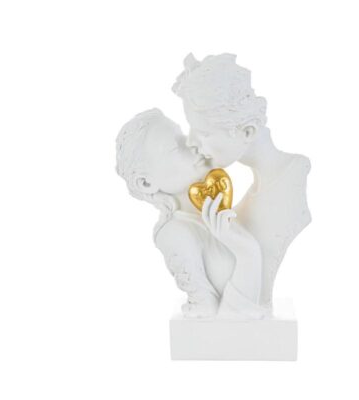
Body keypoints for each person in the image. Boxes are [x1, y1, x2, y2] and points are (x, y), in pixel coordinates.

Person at [173, 53, 312, 311]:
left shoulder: (287, 185)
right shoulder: (262, 185)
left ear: (247, 131)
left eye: (203, 132)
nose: (191, 142)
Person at [116, 108, 266, 319]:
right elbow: (208, 310)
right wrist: (247, 251)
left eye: (183, 136)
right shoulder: (174, 234)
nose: (191, 144)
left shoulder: (210, 214)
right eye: (174, 147)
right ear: (146, 183)